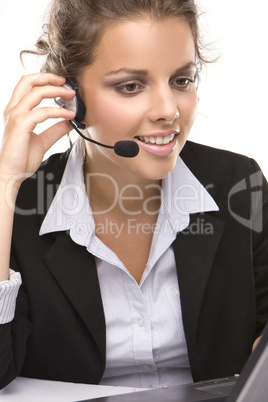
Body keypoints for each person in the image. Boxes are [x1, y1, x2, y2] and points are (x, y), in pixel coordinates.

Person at [0, 0, 267, 391]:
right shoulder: (21, 204)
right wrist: (6, 181)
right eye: (130, 86)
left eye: (182, 80)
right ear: (69, 97)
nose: (168, 111)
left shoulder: (237, 184)